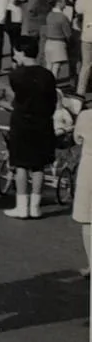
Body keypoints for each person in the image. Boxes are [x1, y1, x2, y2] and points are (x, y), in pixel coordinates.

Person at [3, 35, 58, 219]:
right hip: (43, 122)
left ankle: (22, 206)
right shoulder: (47, 75)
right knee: (39, 166)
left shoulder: (16, 75)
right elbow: (53, 101)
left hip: (22, 123)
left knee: (21, 165)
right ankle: (35, 207)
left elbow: (11, 98)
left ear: (21, 52)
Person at [71, 98, 92, 276]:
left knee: (88, 219)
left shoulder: (86, 116)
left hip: (89, 171)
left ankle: (91, 264)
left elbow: (77, 139)